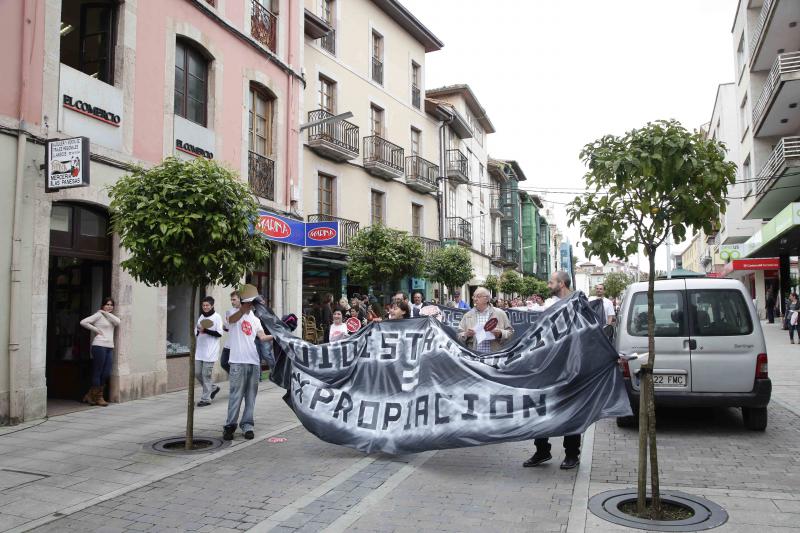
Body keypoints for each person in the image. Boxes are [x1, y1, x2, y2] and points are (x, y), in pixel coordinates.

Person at [525, 271, 581, 469]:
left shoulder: (578, 304)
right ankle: (542, 450)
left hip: (570, 366)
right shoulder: (548, 305)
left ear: (562, 284)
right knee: (541, 408)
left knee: (570, 410)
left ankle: (572, 454)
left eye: (551, 282)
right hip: (547, 366)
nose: (548, 286)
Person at [223, 286, 272, 441]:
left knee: (251, 397)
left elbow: (262, 337)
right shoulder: (232, 313)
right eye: (250, 301)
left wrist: (278, 335)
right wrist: (243, 308)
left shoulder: (256, 319)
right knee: (235, 396)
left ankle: (248, 425)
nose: (252, 304)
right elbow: (231, 321)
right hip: (237, 362)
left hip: (253, 361)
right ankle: (230, 426)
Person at [80, 297, 120, 406]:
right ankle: (98, 398)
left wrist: (104, 312)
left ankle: (89, 395)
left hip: (109, 347)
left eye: (111, 305)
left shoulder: (111, 317)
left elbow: (118, 322)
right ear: (102, 305)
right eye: (107, 304)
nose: (109, 306)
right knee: (98, 372)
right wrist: (96, 330)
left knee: (106, 373)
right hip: (99, 346)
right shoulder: (98, 315)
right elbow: (83, 322)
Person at [457, 287, 513, 353]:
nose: (475, 299)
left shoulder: (500, 313)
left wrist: (500, 333)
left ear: (487, 299)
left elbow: (510, 334)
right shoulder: (468, 315)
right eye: (474, 296)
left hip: (494, 356)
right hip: (474, 358)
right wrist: (466, 334)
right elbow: (458, 336)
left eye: (478, 296)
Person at [195, 296, 222, 407]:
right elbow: (196, 331)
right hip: (200, 350)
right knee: (197, 373)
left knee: (206, 375)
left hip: (210, 352)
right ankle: (213, 388)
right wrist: (197, 332)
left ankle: (206, 399)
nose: (205, 307)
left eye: (207, 305)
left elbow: (219, 333)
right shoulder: (201, 317)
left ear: (212, 306)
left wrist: (205, 330)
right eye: (203, 305)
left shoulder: (217, 317)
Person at [220, 291, 241, 374]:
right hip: (228, 344)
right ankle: (235, 375)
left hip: (238, 345)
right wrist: (225, 325)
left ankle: (237, 377)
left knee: (237, 365)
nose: (232, 302)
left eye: (234, 299)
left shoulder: (246, 313)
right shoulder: (229, 311)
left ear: (240, 299)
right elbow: (227, 328)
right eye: (231, 300)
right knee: (224, 363)